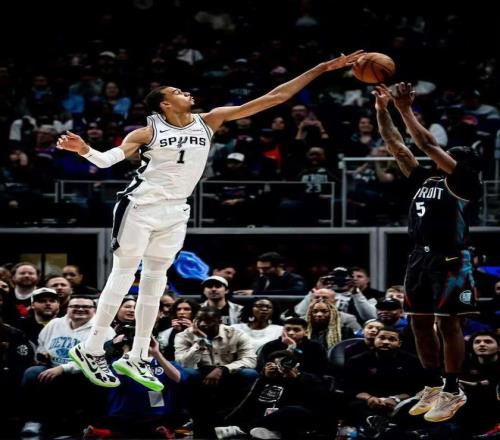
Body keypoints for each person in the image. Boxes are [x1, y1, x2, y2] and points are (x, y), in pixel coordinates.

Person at [57, 49, 364, 391]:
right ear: (165, 104)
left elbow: (275, 98)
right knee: (124, 274)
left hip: (176, 210)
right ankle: (92, 348)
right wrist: (84, 149)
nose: (186, 93)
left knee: (156, 282)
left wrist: (323, 67)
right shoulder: (145, 132)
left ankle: (137, 355)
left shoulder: (210, 120)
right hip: (141, 206)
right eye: (177, 92)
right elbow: (105, 161)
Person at [373, 82, 483, 422]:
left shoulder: (465, 182)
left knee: (447, 324)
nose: (441, 158)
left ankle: (452, 388)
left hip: (451, 258)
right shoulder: (425, 180)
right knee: (419, 322)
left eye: (451, 156)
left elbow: (427, 144)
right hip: (419, 257)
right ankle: (433, 383)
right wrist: (382, 111)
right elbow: (396, 146)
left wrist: (404, 108)